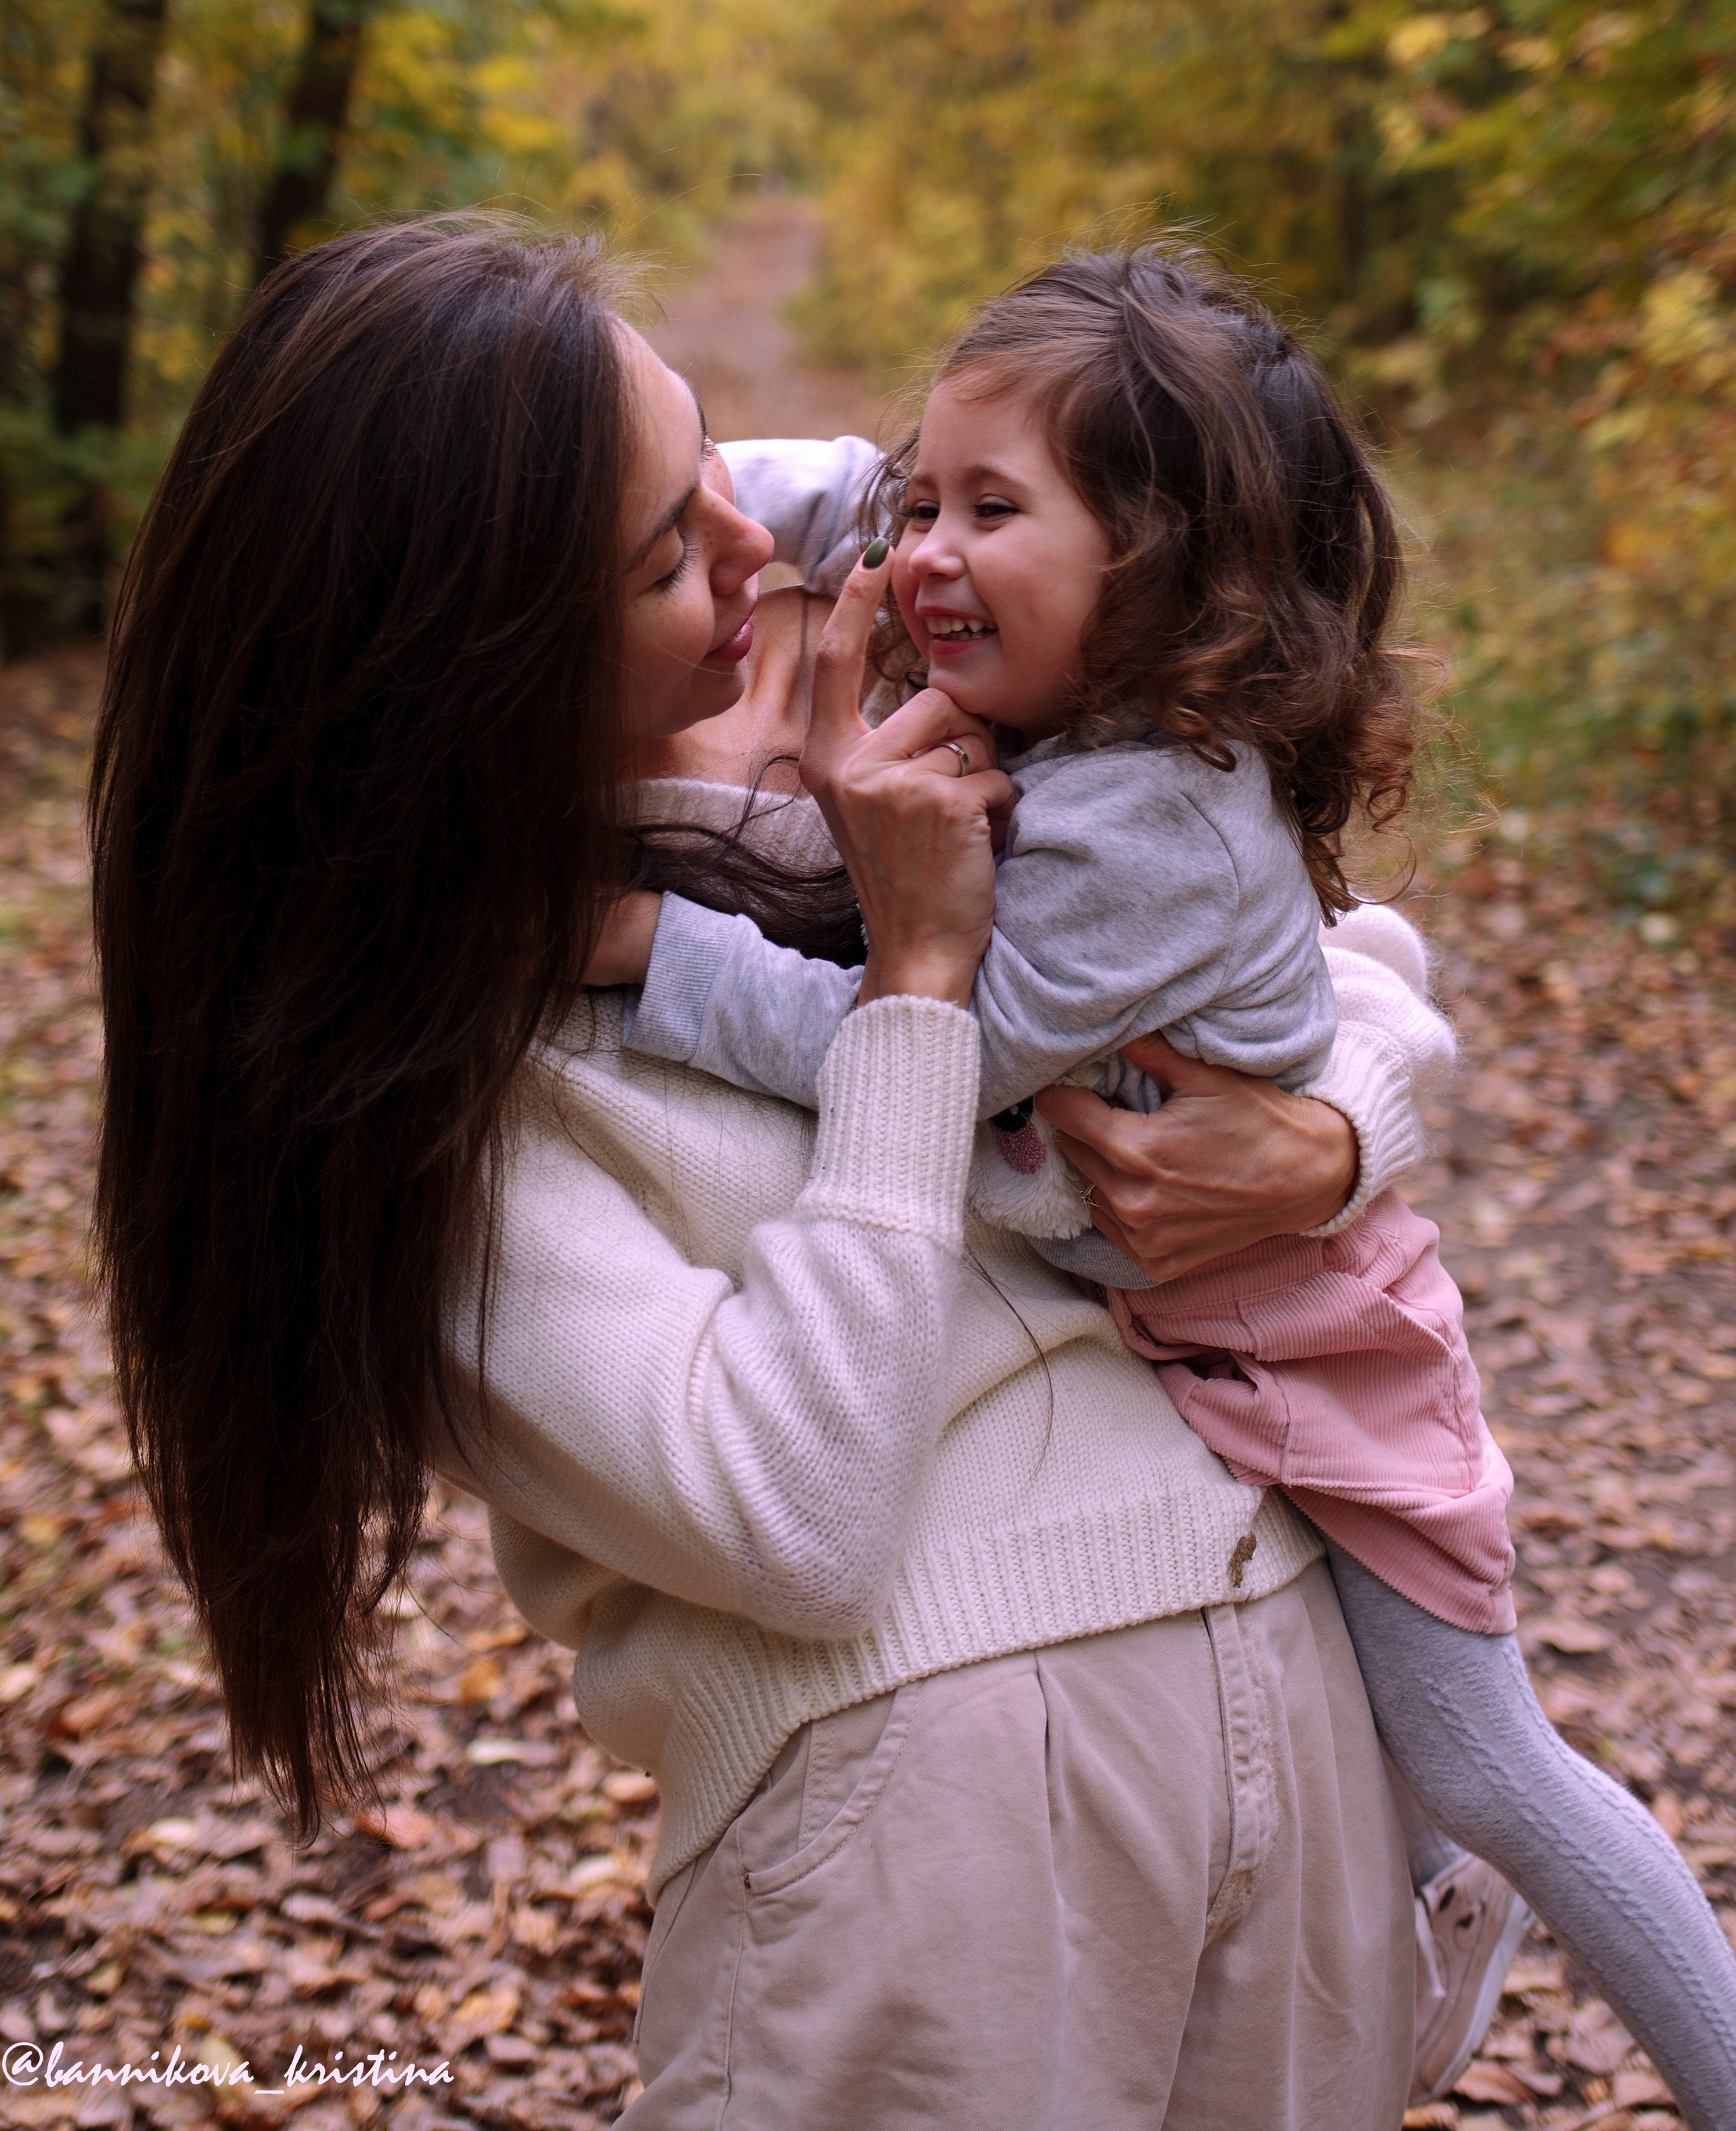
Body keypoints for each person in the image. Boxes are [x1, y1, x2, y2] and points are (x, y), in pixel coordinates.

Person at [94, 217, 1462, 2130]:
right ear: (473, 655)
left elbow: (1304, 944)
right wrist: (914, 994)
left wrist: (1327, 1146)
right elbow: (793, 1513)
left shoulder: (793, 667)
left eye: (718, 466)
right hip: (937, 1836)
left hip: (1285, 1685)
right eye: (671, 548)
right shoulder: (415, 1094)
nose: (771, 544)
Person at [595, 246, 1736, 2126]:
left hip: (1319, 1359)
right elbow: (819, 497)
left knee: (1485, 1762)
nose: (919, 552)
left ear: (1162, 568)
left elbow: (924, 1047)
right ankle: (1425, 1891)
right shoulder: (1067, 699)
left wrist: (654, 951)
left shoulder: (1148, 825)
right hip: (1207, 1332)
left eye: (990, 512)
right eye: (926, 502)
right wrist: (641, 481)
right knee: (1398, 1727)